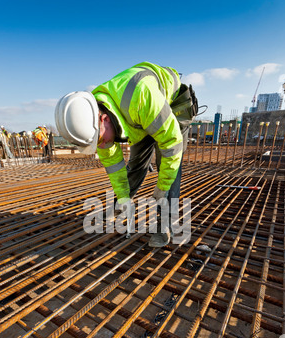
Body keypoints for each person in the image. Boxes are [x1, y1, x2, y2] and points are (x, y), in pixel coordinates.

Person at [55, 61, 198, 247]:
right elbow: (116, 170)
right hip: (138, 118)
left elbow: (172, 145)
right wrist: (123, 198)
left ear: (104, 118)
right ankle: (121, 205)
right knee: (137, 163)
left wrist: (161, 187)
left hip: (172, 104)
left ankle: (164, 227)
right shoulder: (98, 128)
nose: (102, 145)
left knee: (168, 166)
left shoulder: (141, 97)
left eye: (99, 140)